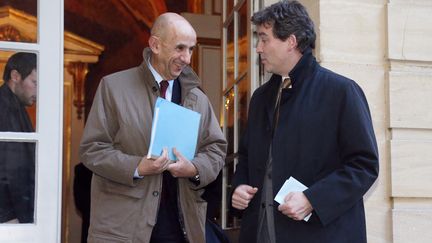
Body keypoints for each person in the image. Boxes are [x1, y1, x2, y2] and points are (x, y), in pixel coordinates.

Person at [231, 1, 379, 243]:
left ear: (291, 41)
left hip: (320, 235)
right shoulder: (260, 98)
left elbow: (364, 165)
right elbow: (247, 156)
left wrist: (313, 199)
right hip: (260, 232)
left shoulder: (341, 91)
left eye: (264, 39)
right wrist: (239, 186)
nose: (258, 48)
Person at [79, 12, 227, 243]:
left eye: (191, 49)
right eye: (180, 48)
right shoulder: (113, 87)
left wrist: (195, 169)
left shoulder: (197, 98)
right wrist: (137, 166)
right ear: (155, 45)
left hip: (181, 228)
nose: (187, 58)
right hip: (124, 229)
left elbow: (216, 149)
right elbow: (92, 150)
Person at [0, 52, 37, 224]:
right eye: (34, 83)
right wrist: (10, 217)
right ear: (15, 76)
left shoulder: (14, 105)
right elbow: (9, 169)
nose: (38, 91)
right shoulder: (5, 108)